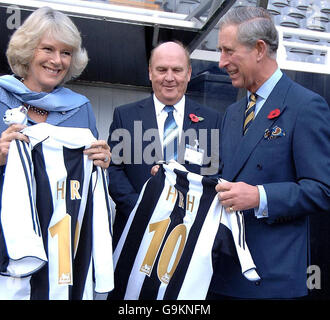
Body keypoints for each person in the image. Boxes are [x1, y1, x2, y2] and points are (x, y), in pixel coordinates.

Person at [207, 6, 330, 299]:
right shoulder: (234, 112)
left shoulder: (305, 106)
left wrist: (259, 197)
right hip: (223, 273)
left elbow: (321, 190)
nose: (221, 62)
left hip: (272, 280)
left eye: (228, 51)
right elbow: (229, 177)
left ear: (259, 49)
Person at [0, 6, 113, 299]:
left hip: (62, 248)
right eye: (48, 49)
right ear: (27, 51)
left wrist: (102, 164)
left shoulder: (81, 108)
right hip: (5, 244)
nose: (56, 60)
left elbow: (89, 188)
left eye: (66, 53)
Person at [107, 41, 222, 244]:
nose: (169, 78)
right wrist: (141, 210)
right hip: (135, 232)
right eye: (162, 70)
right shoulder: (125, 116)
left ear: (188, 74)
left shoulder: (212, 121)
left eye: (177, 70)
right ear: (150, 73)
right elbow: (114, 171)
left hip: (188, 235)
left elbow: (214, 174)